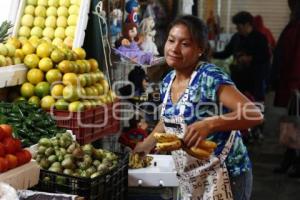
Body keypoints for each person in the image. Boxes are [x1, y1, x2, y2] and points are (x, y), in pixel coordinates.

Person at [134, 15, 263, 200]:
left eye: (185, 44)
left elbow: (254, 114)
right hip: (192, 176)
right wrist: (147, 143)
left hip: (226, 175)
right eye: (171, 40)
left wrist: (210, 124)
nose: (174, 49)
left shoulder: (210, 77)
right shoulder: (168, 81)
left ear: (200, 49)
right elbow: (170, 118)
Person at [213, 11, 270, 102]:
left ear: (247, 24)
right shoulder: (236, 38)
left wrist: (250, 58)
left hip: (255, 80)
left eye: (238, 26)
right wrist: (212, 54)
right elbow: (226, 53)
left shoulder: (260, 38)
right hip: (238, 78)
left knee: (254, 106)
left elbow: (265, 57)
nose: (237, 28)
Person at [272, 0, 300, 177]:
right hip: (292, 82)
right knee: (292, 123)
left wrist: (295, 84)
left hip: (295, 84)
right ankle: (290, 160)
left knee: (295, 123)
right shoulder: (294, 25)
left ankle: (294, 162)